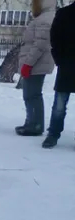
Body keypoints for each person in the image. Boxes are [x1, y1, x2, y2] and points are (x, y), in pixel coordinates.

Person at [15, 0, 56, 136]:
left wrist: (28, 64)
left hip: (36, 64)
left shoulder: (45, 19)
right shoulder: (45, 17)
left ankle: (35, 125)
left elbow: (40, 45)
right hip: (36, 63)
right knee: (32, 95)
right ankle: (31, 122)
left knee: (32, 95)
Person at [41, 0, 75, 148]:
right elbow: (55, 37)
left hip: (66, 65)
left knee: (59, 104)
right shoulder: (65, 13)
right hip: (67, 66)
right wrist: (60, 60)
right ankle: (53, 134)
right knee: (59, 105)